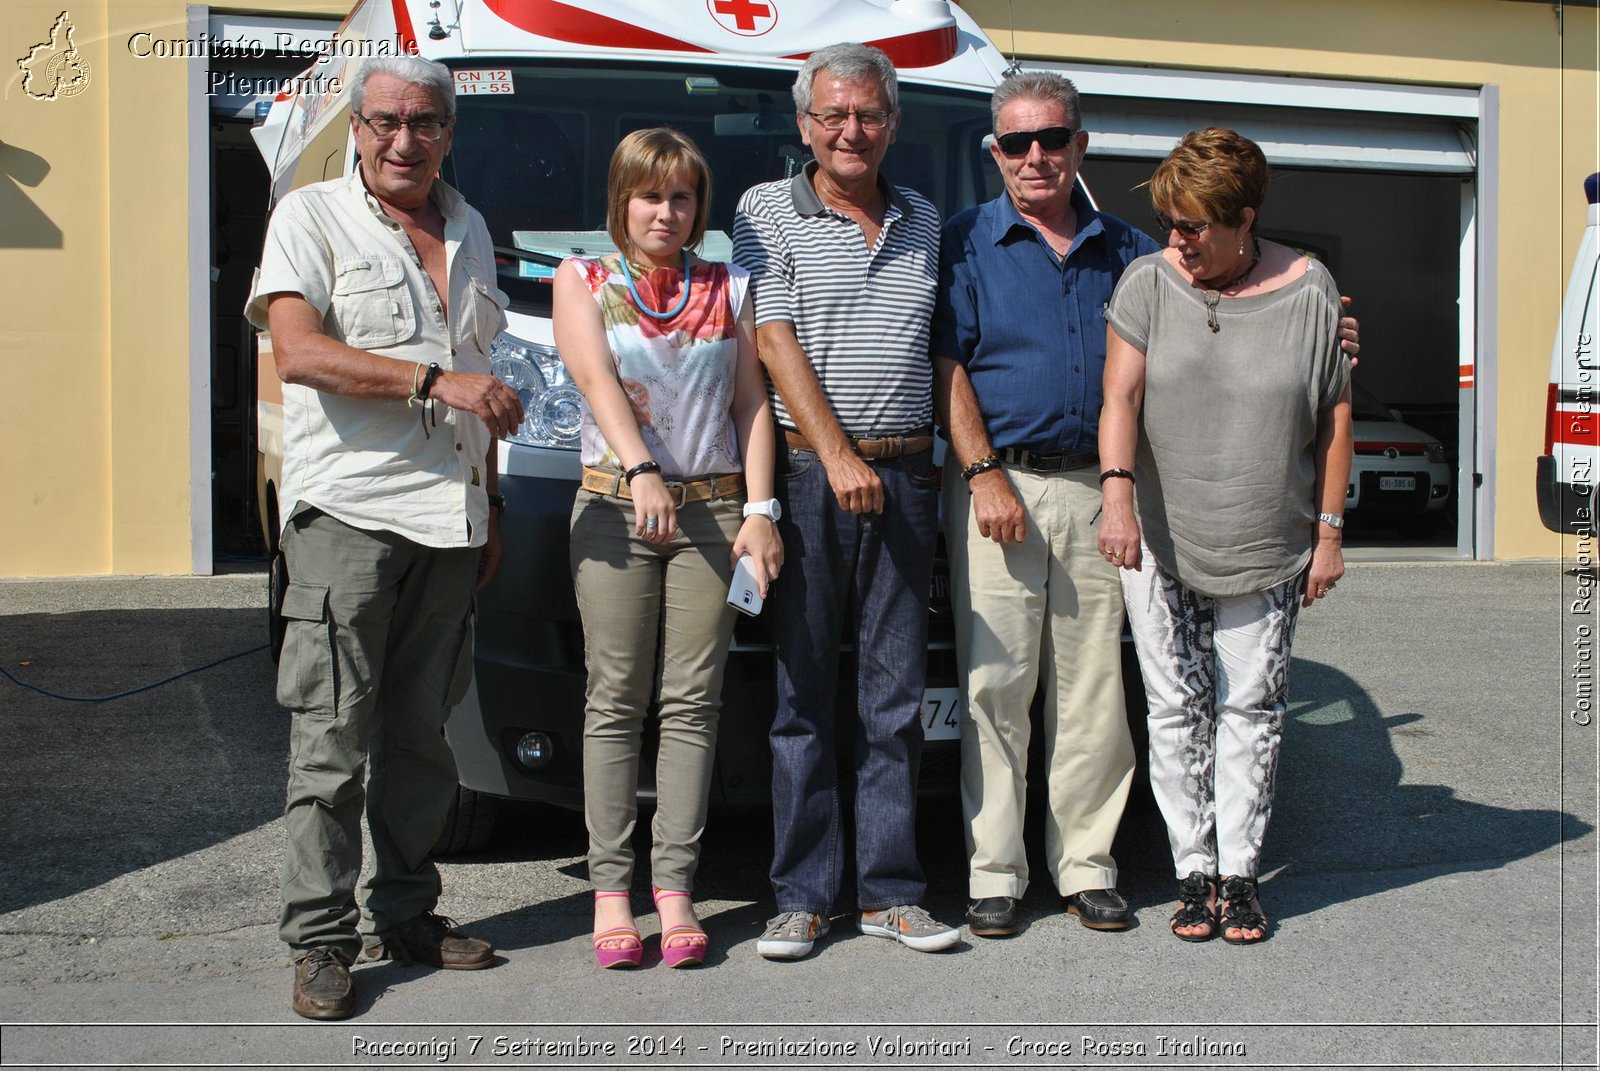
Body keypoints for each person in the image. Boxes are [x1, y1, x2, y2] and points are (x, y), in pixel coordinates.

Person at [932, 74, 1358, 940]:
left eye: (1051, 138)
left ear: (1080, 145)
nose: (1035, 157)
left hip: (1100, 487)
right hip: (1000, 485)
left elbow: (1269, 338)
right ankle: (996, 873)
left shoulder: (1129, 251)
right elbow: (948, 367)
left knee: (1093, 692)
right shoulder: (964, 242)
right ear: (996, 153)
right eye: (1015, 143)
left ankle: (1087, 866)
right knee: (996, 687)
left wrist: (1333, 330)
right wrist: (980, 471)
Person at [245, 55, 524, 1019]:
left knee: (423, 739)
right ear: (356, 127)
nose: (407, 140)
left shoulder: (471, 224)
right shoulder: (310, 217)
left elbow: (479, 362)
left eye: (429, 122)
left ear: (451, 130)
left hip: (450, 524)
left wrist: (489, 499)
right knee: (331, 739)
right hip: (350, 519)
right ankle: (320, 941)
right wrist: (429, 382)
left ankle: (406, 911)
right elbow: (299, 351)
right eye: (388, 122)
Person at [1098, 127, 1354, 945]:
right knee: (1174, 706)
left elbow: (1334, 420)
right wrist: (1117, 499)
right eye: (1172, 220)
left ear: (1246, 218)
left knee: (1252, 707)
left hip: (1267, 538)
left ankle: (1240, 875)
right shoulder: (1147, 282)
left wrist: (1330, 532)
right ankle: (1192, 873)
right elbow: (1119, 400)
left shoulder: (1312, 290)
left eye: (1195, 224)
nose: (1178, 238)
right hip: (1161, 540)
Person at [732, 42, 960, 959]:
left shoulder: (924, 218)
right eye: (832, 115)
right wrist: (834, 457)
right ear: (804, 126)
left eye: (868, 114)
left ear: (894, 124)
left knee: (894, 698)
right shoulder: (764, 211)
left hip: (906, 477)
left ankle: (893, 893)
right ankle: (801, 895)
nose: (850, 130)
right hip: (806, 475)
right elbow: (774, 340)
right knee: (801, 693)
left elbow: (940, 350)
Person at [553, 128, 781, 970]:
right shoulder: (584, 279)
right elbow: (594, 379)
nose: (666, 211)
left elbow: (751, 403)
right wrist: (643, 467)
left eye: (682, 197)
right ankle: (612, 893)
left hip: (716, 517)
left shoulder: (732, 286)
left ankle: (676, 889)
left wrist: (762, 511)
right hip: (616, 508)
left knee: (693, 704)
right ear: (623, 199)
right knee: (615, 700)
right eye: (651, 195)